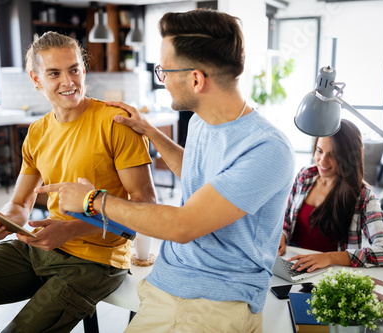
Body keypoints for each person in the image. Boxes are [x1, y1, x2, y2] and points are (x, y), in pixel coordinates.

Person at [36, 9, 295, 332]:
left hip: (213, 300)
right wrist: (151, 132)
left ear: (196, 79)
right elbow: (203, 176)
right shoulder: (203, 121)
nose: (163, 80)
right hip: (168, 282)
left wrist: (93, 200)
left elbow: (183, 225)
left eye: (164, 71)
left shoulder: (268, 149)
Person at [0, 31, 155, 332]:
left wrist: (72, 229)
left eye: (74, 70)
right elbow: (19, 203)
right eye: (54, 73)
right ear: (37, 79)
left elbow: (146, 206)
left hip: (95, 261)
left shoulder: (114, 122)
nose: (68, 82)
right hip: (38, 249)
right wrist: (3, 221)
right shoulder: (37, 132)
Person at [279, 119, 383, 272]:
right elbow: (287, 218)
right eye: (320, 151)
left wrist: (330, 257)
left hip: (330, 271)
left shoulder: (363, 196)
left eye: (333, 155)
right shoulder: (305, 176)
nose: (322, 161)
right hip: (292, 260)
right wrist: (282, 235)